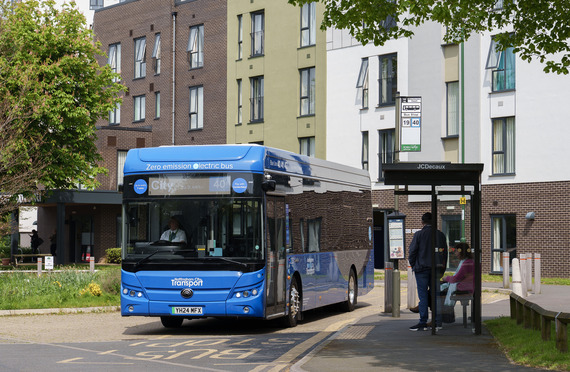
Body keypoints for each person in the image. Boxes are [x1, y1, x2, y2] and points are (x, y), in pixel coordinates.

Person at [408, 212, 448, 331]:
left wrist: (414, 266)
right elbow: (444, 254)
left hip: (421, 269)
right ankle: (437, 321)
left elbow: (412, 252)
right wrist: (442, 270)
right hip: (436, 269)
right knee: (435, 295)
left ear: (422, 222)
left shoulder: (419, 235)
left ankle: (423, 321)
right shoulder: (440, 235)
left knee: (423, 295)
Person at [441, 242, 474, 307]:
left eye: (456, 251)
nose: (455, 254)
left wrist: (446, 278)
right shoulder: (469, 261)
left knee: (439, 291)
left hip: (464, 287)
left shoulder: (466, 263)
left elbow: (456, 279)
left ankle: (447, 310)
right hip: (469, 286)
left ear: (461, 252)